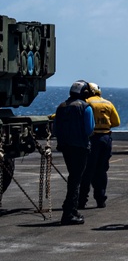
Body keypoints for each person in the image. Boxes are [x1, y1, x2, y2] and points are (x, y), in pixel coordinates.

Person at [53, 81, 95, 225]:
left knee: (73, 177)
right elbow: (90, 129)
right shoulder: (86, 107)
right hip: (80, 147)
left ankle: (70, 208)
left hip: (65, 147)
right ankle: (69, 213)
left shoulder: (61, 106)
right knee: (76, 179)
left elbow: (55, 129)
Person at [78, 82, 120, 210]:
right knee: (102, 171)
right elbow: (116, 122)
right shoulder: (108, 103)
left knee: (87, 171)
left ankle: (82, 201)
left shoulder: (86, 102)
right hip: (106, 139)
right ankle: (101, 199)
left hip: (92, 139)